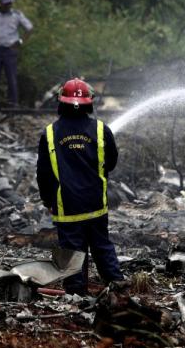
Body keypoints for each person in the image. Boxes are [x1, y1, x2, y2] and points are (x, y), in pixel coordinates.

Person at [36, 78, 123, 296]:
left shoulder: (49, 133)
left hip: (67, 206)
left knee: (72, 252)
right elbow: (111, 162)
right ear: (89, 103)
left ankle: (77, 296)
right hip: (95, 204)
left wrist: (47, 200)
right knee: (102, 246)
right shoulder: (101, 130)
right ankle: (118, 287)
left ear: (60, 102)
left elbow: (43, 174)